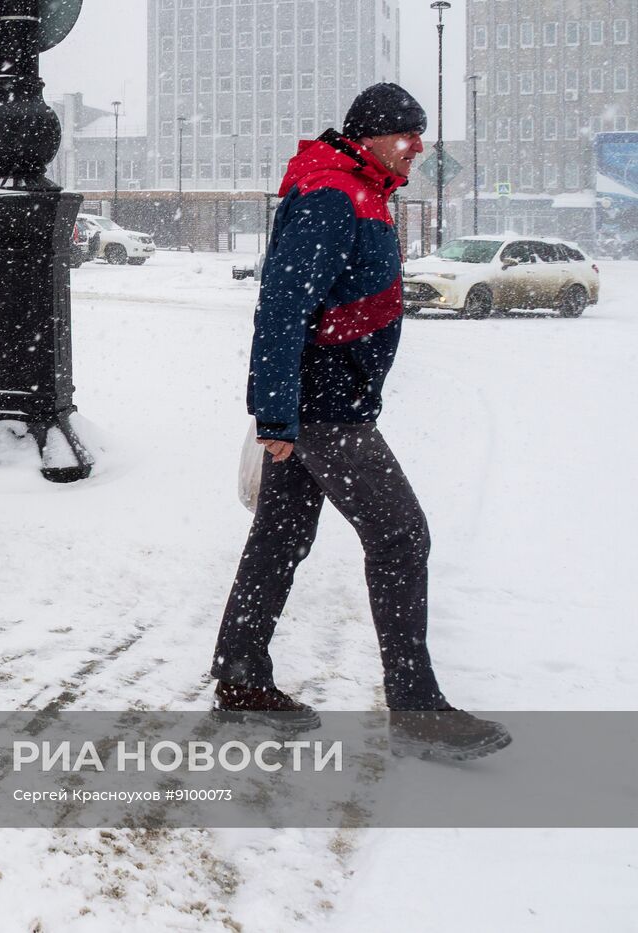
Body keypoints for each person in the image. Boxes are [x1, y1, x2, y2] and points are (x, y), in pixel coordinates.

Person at [207, 84, 510, 761]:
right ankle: (415, 706)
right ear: (371, 135)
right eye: (407, 133)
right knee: (402, 535)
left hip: (326, 403)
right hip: (324, 411)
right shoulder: (331, 195)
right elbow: (282, 307)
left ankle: (241, 673)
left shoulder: (359, 188)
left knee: (280, 536)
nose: (418, 146)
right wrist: (277, 414)